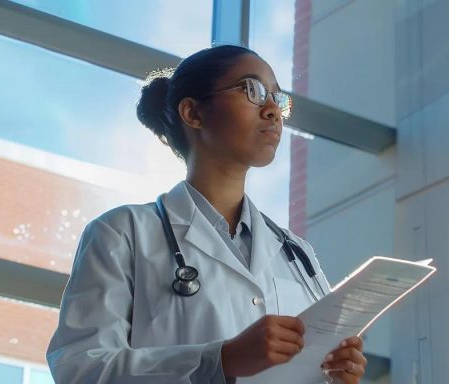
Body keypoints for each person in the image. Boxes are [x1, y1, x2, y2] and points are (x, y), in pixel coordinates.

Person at [46, 45, 367, 383]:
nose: (273, 110)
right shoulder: (122, 233)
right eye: (253, 91)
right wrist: (221, 361)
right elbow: (82, 369)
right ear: (193, 113)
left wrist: (335, 375)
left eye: (278, 98)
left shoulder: (299, 254)